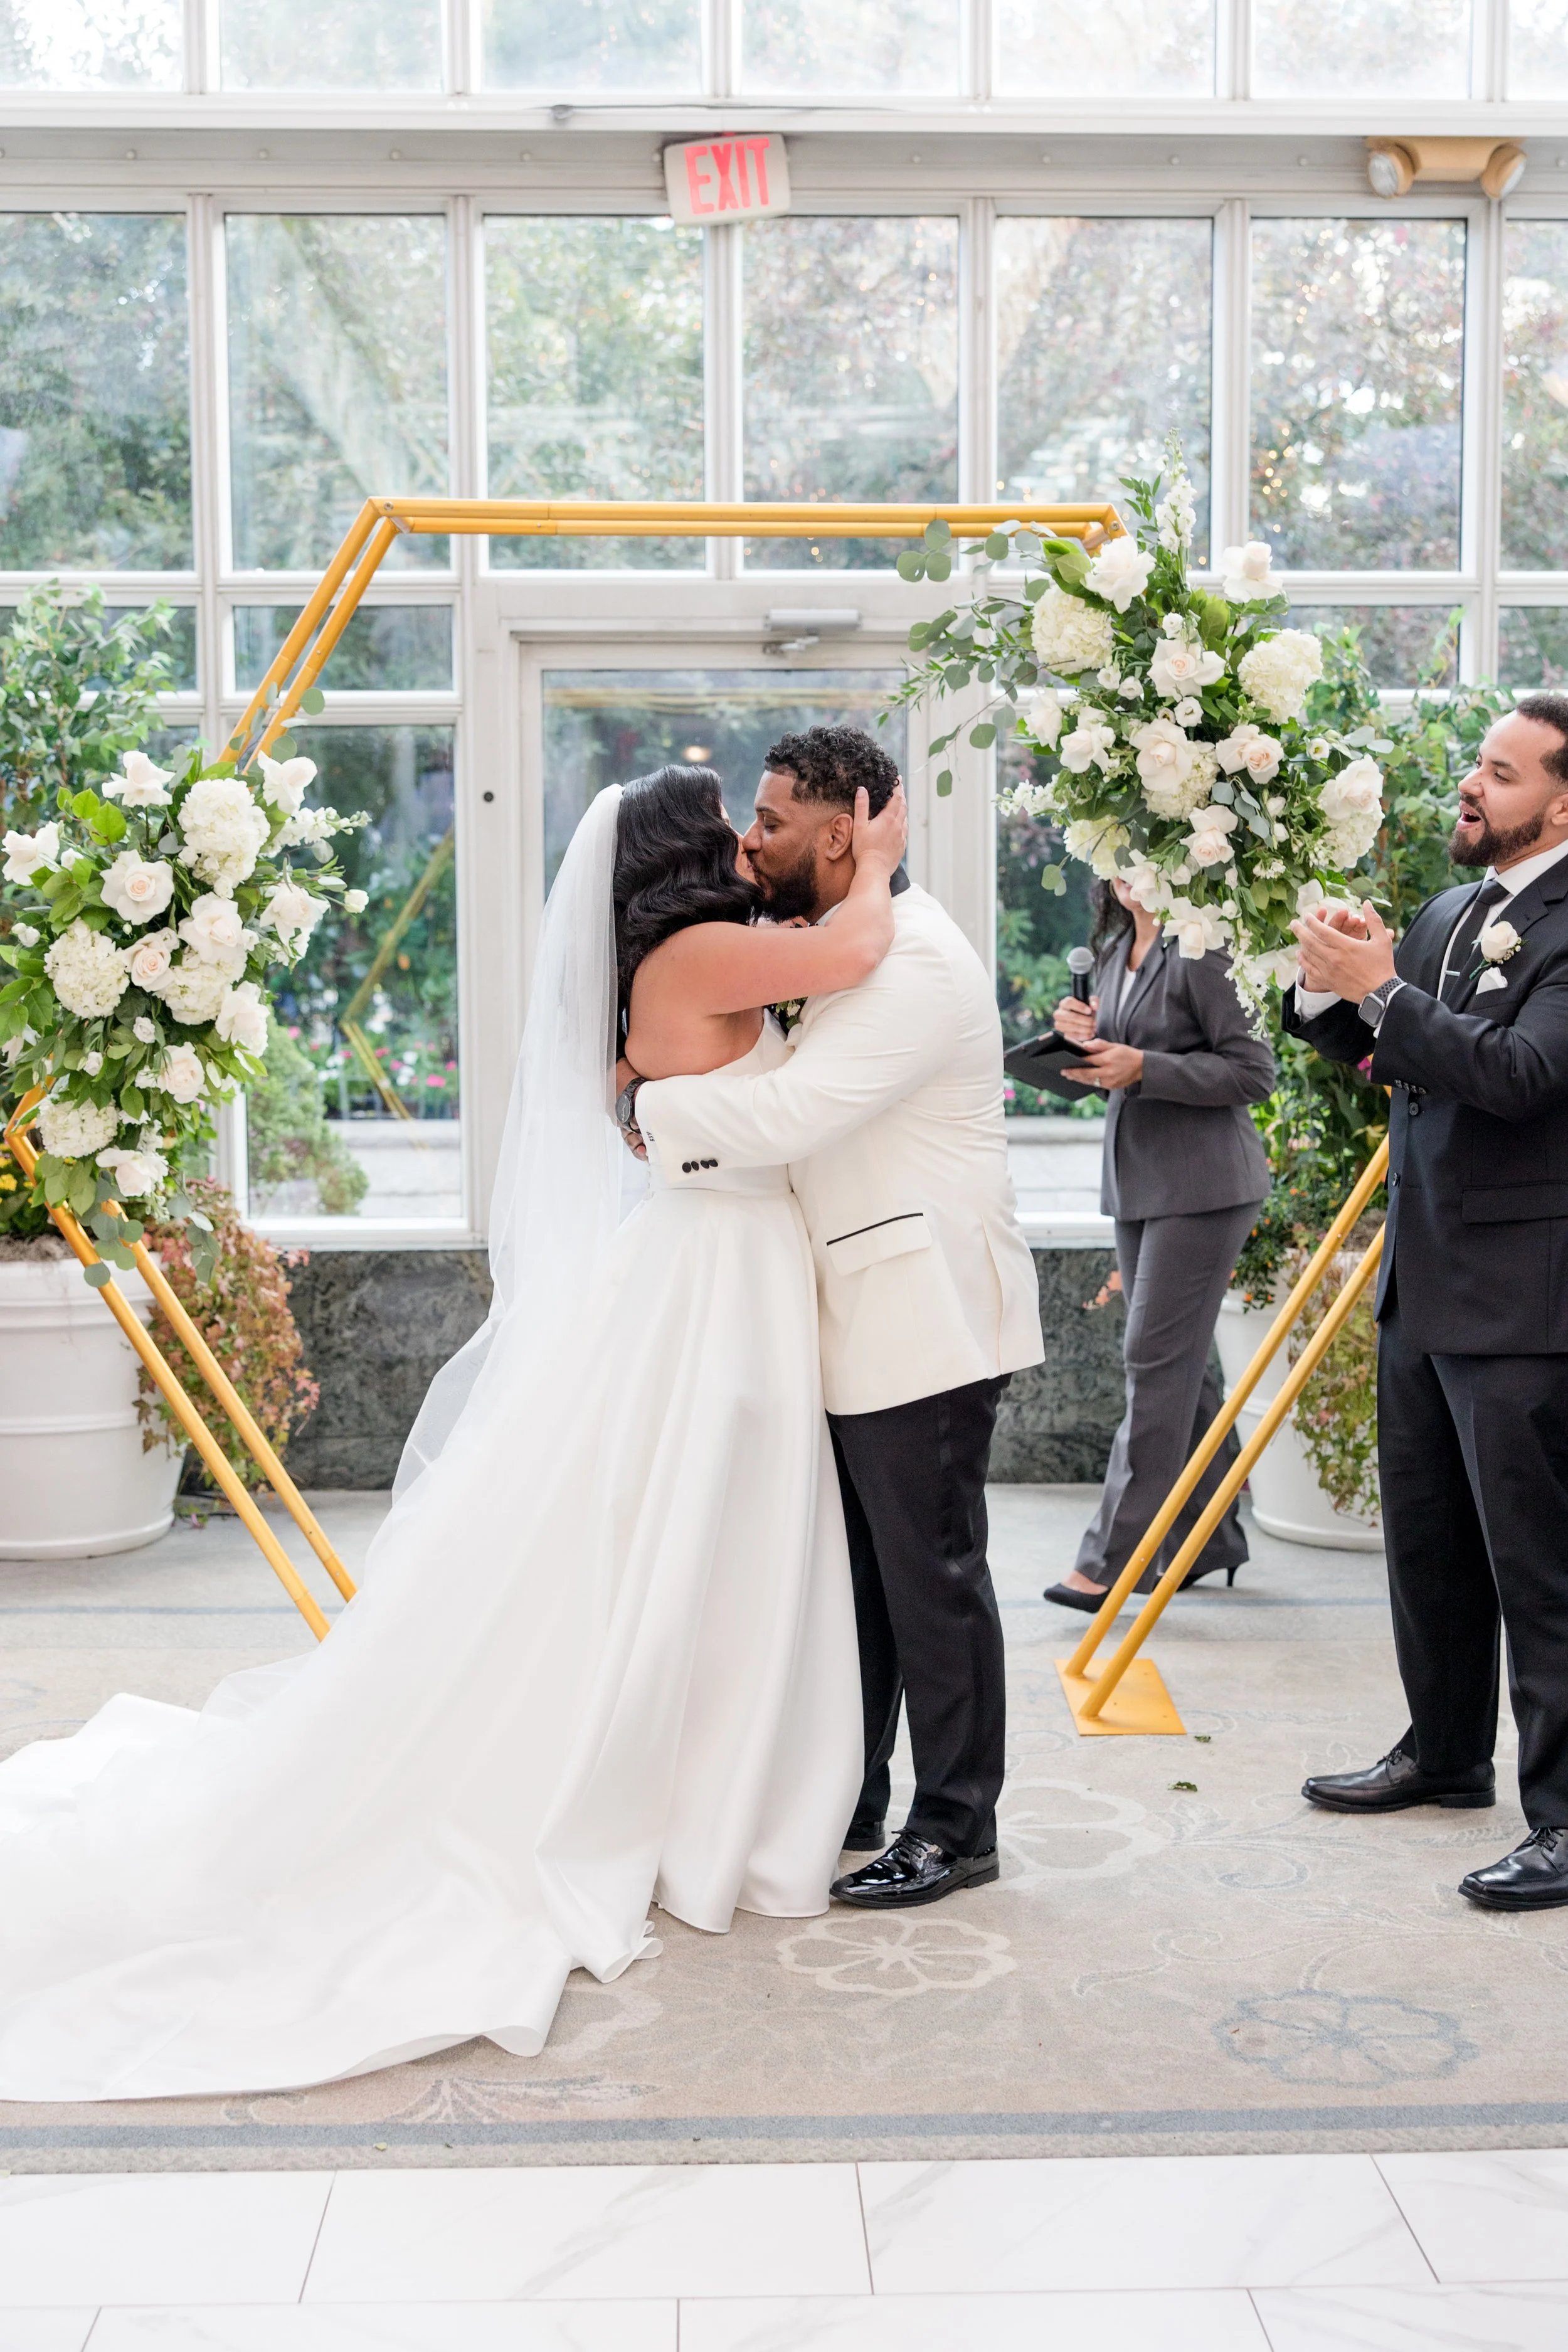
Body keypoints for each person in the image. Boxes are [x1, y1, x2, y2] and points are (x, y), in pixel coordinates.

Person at [0, 761, 909, 2100]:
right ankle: (693, 1790)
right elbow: (854, 950)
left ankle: (714, 1773)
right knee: (701, 1527)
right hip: (711, 1275)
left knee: (690, 1530)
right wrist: (876, 852)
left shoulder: (685, 957)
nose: (738, 840)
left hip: (714, 1259)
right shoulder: (706, 948)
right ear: (673, 855)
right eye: (721, 824)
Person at [626, 726, 1044, 1912]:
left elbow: (795, 1115)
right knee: (862, 1586)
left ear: (841, 833)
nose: (750, 841)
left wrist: (648, 1106)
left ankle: (959, 1824)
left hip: (921, 1311)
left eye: (769, 822)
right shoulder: (831, 942)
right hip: (847, 1307)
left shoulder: (910, 960)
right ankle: (851, 1797)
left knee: (934, 1578)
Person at [1285, 694, 1568, 1911]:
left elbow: (1520, 1077)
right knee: (1427, 1548)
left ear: (1558, 802)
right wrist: (1328, 993)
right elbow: (1390, 1068)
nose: (1470, 784)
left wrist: (1385, 995)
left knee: (1538, 1571)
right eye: (1474, 765)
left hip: (1524, 1300)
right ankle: (1443, 1751)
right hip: (1420, 1275)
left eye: (1498, 774)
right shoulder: (1450, 909)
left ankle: (1560, 1823)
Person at [1034, 877, 1273, 1614]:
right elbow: (1114, 1058)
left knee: (1153, 1363)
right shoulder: (1114, 953)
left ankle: (1114, 1559)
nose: (1127, 871)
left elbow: (1252, 1072)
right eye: (1113, 858)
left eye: (1141, 852)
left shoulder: (1201, 950)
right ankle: (1210, 1541)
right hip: (1139, 1183)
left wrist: (1145, 1069)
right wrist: (1074, 1043)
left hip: (1202, 1186)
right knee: (1181, 1370)